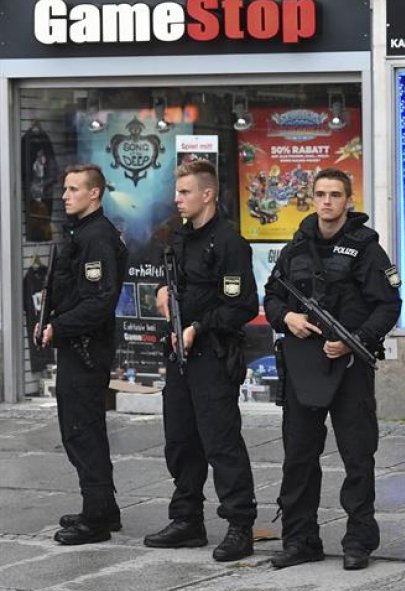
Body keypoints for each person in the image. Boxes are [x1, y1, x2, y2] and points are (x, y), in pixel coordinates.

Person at [263, 168, 401, 570]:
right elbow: (271, 297)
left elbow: (389, 306)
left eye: (335, 195)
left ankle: (359, 540)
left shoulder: (368, 250)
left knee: (358, 458)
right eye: (320, 194)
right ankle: (299, 539)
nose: (327, 201)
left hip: (350, 365)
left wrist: (357, 337)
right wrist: (287, 318)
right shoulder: (295, 247)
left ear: (348, 201)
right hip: (303, 364)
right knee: (298, 458)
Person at [144, 161, 258, 562]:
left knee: (221, 444)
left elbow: (242, 305)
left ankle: (240, 525)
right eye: (177, 193)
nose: (178, 199)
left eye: (185, 192)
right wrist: (161, 292)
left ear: (207, 194)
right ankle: (187, 519)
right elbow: (175, 283)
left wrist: (197, 327)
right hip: (179, 356)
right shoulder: (179, 238)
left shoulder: (228, 242)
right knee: (180, 441)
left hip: (212, 354)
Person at [39, 164, 127, 545]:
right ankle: (102, 506)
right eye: (65, 189)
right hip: (75, 345)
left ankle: (97, 520)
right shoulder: (81, 234)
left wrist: (60, 327)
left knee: (82, 431)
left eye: (74, 189)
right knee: (81, 429)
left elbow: (99, 301)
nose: (65, 196)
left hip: (87, 348)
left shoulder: (97, 239)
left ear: (94, 194)